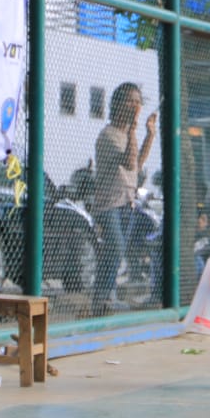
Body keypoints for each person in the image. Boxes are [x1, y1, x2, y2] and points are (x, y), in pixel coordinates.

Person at [92, 83, 158, 312]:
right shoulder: (109, 135)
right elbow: (129, 161)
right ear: (118, 104)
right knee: (116, 246)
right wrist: (133, 128)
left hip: (126, 202)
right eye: (130, 101)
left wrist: (149, 134)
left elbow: (137, 166)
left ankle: (105, 297)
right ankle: (102, 298)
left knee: (115, 250)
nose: (135, 106)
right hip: (109, 203)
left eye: (138, 101)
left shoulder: (127, 134)